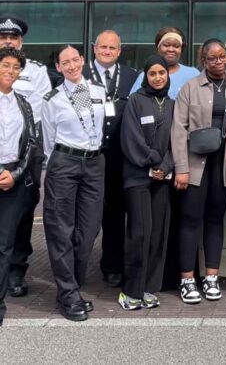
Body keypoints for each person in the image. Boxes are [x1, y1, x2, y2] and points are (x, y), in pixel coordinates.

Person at [171, 38, 226, 304]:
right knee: (190, 221)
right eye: (212, 58)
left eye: (222, 56)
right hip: (195, 166)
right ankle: (188, 279)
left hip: (222, 167)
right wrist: (181, 168)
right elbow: (178, 131)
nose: (218, 61)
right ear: (204, 61)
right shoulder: (190, 88)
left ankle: (212, 276)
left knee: (215, 220)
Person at [42, 45, 106, 321]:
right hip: (64, 163)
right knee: (61, 230)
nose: (71, 65)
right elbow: (47, 141)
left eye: (75, 59)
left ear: (83, 60)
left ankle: (70, 288)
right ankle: (69, 295)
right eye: (65, 62)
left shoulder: (98, 91)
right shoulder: (52, 99)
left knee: (89, 231)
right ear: (58, 67)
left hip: (94, 163)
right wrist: (56, 167)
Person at [82, 30, 138, 288]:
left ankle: (112, 265)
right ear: (94, 48)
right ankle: (77, 264)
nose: (107, 51)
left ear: (119, 50)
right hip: (88, 156)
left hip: (119, 157)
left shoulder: (131, 76)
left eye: (112, 48)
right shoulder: (80, 75)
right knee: (84, 214)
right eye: (103, 47)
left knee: (115, 213)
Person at [117, 56, 175, 311]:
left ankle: (150, 288)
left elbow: (179, 139)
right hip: (138, 177)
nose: (158, 78)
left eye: (161, 72)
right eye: (152, 73)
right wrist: (153, 161)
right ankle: (131, 291)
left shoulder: (174, 104)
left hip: (163, 178)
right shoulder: (135, 101)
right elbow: (130, 138)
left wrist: (165, 166)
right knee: (140, 233)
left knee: (158, 235)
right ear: (146, 76)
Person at [0, 16, 50, 299]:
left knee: (22, 215)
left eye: (14, 38)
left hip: (26, 154)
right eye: (3, 37)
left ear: (22, 42)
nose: (8, 42)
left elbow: (38, 114)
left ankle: (16, 269)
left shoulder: (37, 71)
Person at [0, 47, 37, 327]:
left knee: (5, 246)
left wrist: (16, 174)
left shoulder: (23, 103)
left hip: (13, 180)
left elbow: (31, 144)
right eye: (5, 65)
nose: (11, 71)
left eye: (16, 67)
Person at [130, 27, 199, 99]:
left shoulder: (193, 74)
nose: (171, 49)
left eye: (176, 46)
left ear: (181, 49)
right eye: (166, 45)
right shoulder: (145, 76)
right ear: (158, 47)